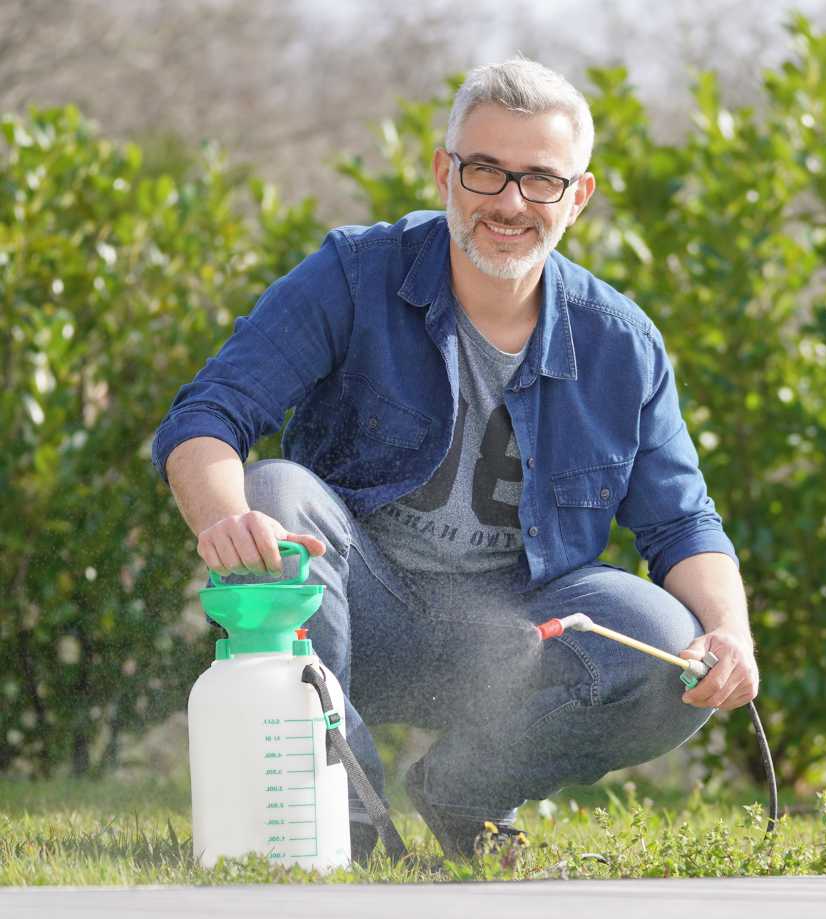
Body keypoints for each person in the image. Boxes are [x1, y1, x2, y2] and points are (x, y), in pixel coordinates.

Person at [151, 57, 758, 863]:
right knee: (277, 492)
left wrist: (730, 633)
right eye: (485, 170)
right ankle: (346, 814)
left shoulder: (623, 344)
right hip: (354, 612)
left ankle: (466, 795)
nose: (509, 202)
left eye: (541, 179)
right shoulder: (354, 273)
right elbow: (208, 415)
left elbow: (682, 523)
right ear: (444, 171)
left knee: (669, 642)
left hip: (509, 639)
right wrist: (226, 515)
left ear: (578, 197)